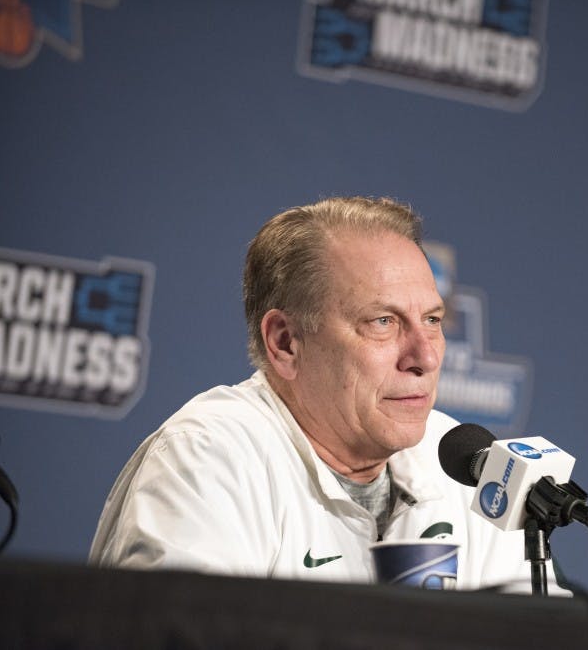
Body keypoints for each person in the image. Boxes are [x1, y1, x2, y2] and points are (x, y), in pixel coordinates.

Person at [90, 196, 550, 591]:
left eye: (432, 320)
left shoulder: (463, 467)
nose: (425, 358)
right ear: (286, 342)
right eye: (383, 322)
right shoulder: (208, 459)